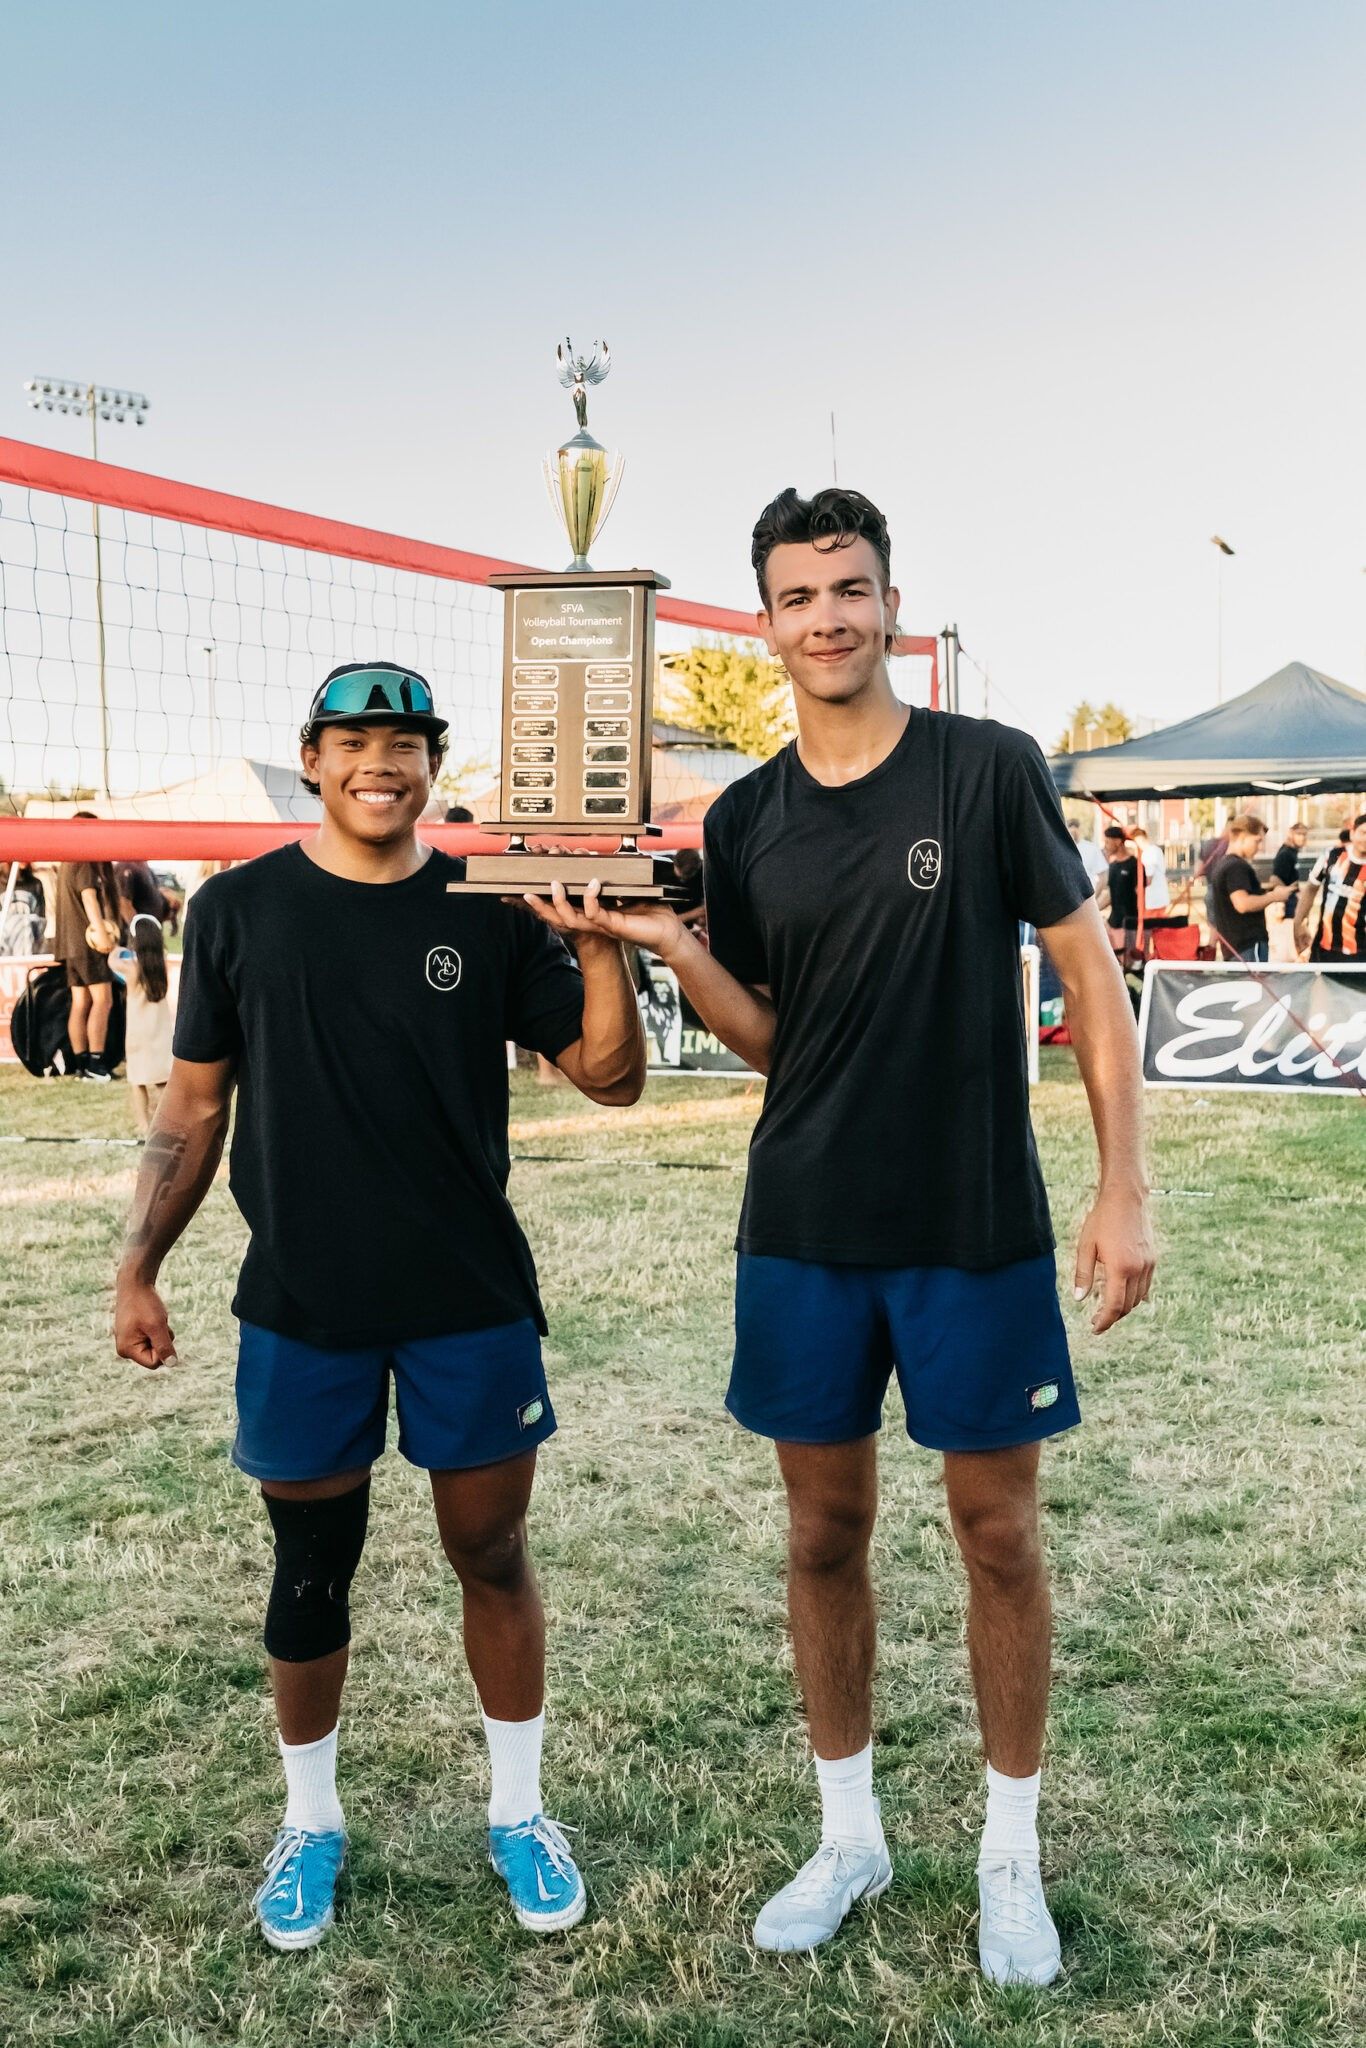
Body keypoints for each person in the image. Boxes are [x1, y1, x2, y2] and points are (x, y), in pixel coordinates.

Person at [531, 487, 1155, 1987]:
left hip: (972, 1223)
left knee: (996, 1535)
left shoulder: (984, 770)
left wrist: (1121, 1185)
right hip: (803, 1225)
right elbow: (772, 1040)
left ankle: (1011, 1859)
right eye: (799, 597)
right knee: (822, 1536)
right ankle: (849, 1835)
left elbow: (1087, 973)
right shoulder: (744, 818)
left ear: (889, 604)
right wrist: (674, 945)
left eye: (850, 589)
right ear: (764, 619)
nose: (827, 618)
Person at [112, 660, 646, 1953]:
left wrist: (593, 942)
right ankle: (312, 1825)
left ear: (431, 766)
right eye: (355, 741)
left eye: (405, 744)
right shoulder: (237, 913)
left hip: (466, 1298)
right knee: (311, 1571)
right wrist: (137, 1265)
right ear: (311, 757)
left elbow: (609, 1077)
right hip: (302, 1304)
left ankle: (517, 1814)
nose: (380, 764)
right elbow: (191, 1108)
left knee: (490, 1554)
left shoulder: (483, 905)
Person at [54, 816, 121, 1081]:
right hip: (88, 943)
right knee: (103, 1000)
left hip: (69, 945)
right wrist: (103, 934)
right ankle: (95, 1063)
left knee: (81, 1002)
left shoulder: (66, 860)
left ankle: (81, 1064)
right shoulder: (84, 858)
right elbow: (89, 898)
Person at [110, 913, 174, 1135]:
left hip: (139, 1032)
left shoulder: (131, 967)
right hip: (161, 1031)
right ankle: (167, 1118)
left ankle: (144, 1124)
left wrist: (116, 948)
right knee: (162, 1080)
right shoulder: (161, 961)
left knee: (138, 1080)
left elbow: (112, 961)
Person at [1205, 814, 1292, 963]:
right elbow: (1243, 904)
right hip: (1248, 946)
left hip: (1235, 947)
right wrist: (1275, 897)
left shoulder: (1223, 865)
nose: (1259, 847)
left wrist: (1267, 892)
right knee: (1255, 986)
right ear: (1243, 836)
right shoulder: (1236, 866)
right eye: (1257, 841)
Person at [1293, 811, 1366, 960]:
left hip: (1359, 950)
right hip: (1325, 945)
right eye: (1363, 832)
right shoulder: (1331, 856)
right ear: (1352, 833)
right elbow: (1311, 889)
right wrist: (1298, 922)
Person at [1095, 823, 1140, 944]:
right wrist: (1094, 909)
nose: (1105, 846)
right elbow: (1111, 894)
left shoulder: (1134, 864)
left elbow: (1140, 893)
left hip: (1130, 923)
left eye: (1108, 842)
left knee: (1128, 959)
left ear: (1118, 841)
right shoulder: (1113, 866)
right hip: (1114, 921)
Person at [1130, 827, 1169, 913]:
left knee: (1153, 925)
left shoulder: (1149, 853)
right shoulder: (1154, 850)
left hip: (1154, 900)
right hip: (1156, 898)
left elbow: (1148, 879)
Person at [1067, 818, 1107, 886]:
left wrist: (1095, 896)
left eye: (1075, 828)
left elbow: (1102, 877)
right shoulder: (1062, 848)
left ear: (1079, 829)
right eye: (1070, 828)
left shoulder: (1092, 848)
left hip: (1089, 893)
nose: (1073, 832)